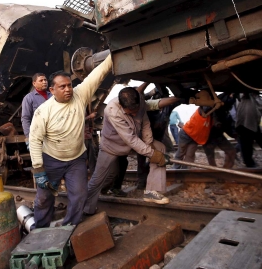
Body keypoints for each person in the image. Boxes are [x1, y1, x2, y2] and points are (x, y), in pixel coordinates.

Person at [29, 55, 113, 228]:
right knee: (44, 198)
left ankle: (69, 227)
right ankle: (40, 230)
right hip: (52, 160)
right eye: (62, 87)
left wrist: (113, 54)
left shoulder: (80, 95)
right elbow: (35, 140)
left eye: (69, 85)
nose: (68, 89)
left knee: (80, 195)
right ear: (52, 90)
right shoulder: (43, 111)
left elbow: (99, 73)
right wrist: (39, 169)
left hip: (76, 159)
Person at [83, 87, 171, 215]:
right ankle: (85, 209)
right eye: (131, 112)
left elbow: (145, 122)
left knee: (160, 148)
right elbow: (131, 139)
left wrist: (150, 144)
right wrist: (153, 154)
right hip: (112, 147)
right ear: (121, 105)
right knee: (100, 179)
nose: (135, 114)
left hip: (134, 141)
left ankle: (153, 192)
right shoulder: (112, 110)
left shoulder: (139, 101)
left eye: (136, 110)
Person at [21, 73, 51, 149]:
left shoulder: (52, 96)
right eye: (41, 80)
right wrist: (28, 137)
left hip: (53, 135)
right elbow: (25, 118)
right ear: (34, 83)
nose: (44, 82)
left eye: (45, 80)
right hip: (38, 135)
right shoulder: (28, 98)